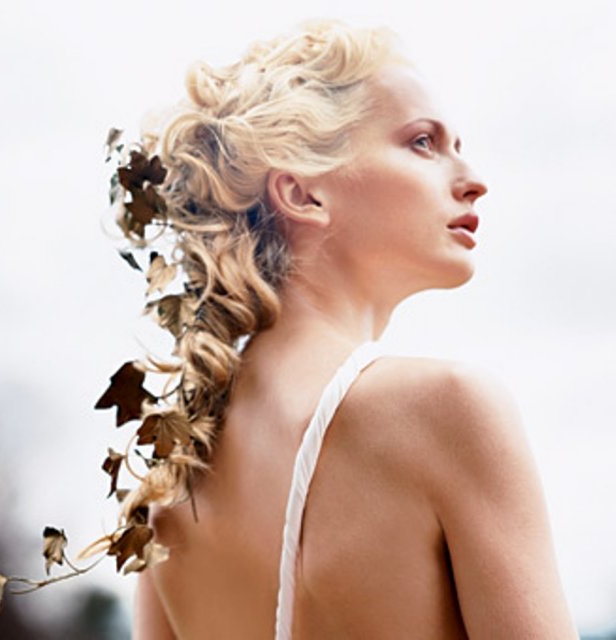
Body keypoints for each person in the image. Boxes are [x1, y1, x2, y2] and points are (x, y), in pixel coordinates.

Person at [129, 20, 578, 639]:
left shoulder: (173, 479)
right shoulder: (449, 410)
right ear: (302, 193)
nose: (473, 178)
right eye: (423, 142)